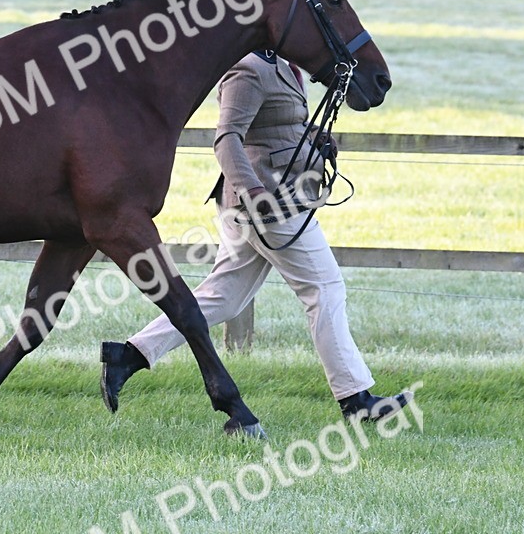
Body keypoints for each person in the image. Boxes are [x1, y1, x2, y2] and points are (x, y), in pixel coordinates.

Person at [100, 50, 412, 422]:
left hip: (268, 200)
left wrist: (314, 138)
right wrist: (252, 190)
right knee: (324, 289)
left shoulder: (281, 63)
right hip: (269, 204)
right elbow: (227, 139)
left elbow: (280, 123)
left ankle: (127, 356)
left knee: (223, 297)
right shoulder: (247, 70)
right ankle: (355, 400)